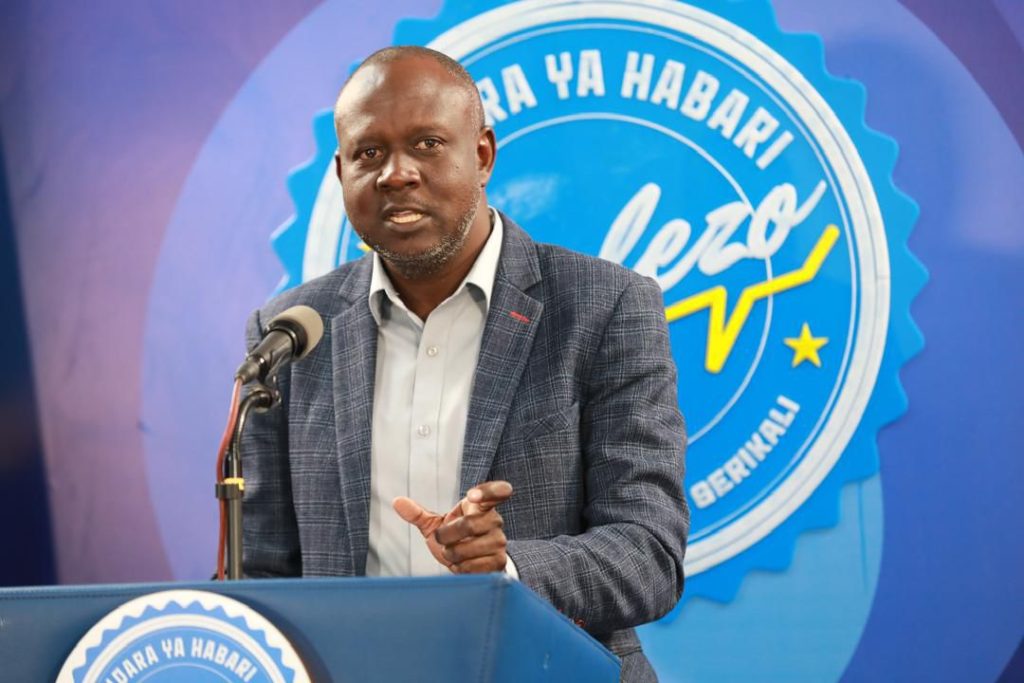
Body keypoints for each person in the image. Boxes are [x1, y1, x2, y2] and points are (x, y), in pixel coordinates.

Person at [241, 45, 689, 682]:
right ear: (341, 172)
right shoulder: (291, 331)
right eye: (369, 153)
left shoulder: (604, 306)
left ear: (482, 155)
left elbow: (649, 552)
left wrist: (507, 567)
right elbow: (260, 573)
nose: (396, 174)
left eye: (427, 144)